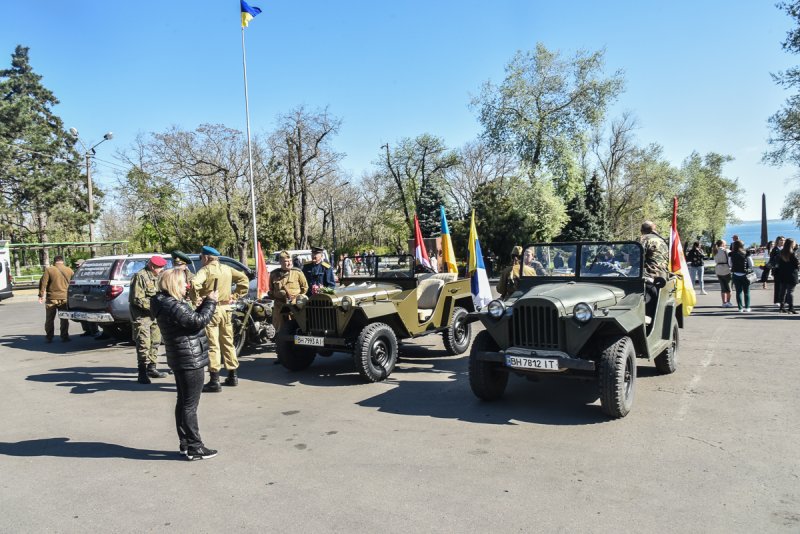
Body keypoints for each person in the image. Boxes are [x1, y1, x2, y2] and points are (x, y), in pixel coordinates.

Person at [151, 268, 219, 461]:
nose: (187, 286)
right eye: (183, 283)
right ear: (174, 285)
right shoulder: (172, 305)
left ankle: (186, 444)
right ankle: (195, 447)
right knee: (189, 405)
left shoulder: (165, 303)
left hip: (181, 357)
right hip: (189, 359)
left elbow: (188, 321)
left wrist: (203, 303)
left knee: (183, 402)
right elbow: (198, 322)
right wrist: (211, 302)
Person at [190, 246, 249, 392]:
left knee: (212, 344)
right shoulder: (227, 269)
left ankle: (214, 380)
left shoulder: (205, 270)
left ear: (206, 257)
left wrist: (195, 299)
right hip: (226, 309)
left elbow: (194, 283)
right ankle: (232, 375)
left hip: (211, 310)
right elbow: (244, 279)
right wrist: (235, 295)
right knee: (228, 342)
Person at [129, 255, 168, 384]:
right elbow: (137, 299)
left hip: (155, 316)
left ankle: (152, 367)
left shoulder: (158, 276)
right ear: (152, 266)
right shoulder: (140, 276)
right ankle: (142, 372)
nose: (162, 270)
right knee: (143, 343)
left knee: (155, 341)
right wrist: (155, 306)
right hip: (143, 316)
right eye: (160, 268)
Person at [268, 250, 309, 332]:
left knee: (297, 327)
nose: (289, 263)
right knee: (279, 329)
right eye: (286, 261)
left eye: (290, 261)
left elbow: (305, 287)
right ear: (280, 262)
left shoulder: (297, 273)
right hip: (280, 306)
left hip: (294, 306)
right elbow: (271, 289)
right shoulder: (274, 274)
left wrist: (297, 299)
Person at [38, 255, 74, 343]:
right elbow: (73, 283)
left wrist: (41, 295)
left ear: (54, 261)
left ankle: (49, 337)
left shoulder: (49, 270)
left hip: (52, 298)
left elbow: (43, 283)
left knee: (50, 319)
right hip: (65, 298)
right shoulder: (69, 270)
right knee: (64, 318)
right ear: (63, 261)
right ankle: (64, 336)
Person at [640, 221, 669, 318]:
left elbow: (636, 256)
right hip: (662, 275)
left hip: (648, 274)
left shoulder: (644, 239)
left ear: (642, 230)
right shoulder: (662, 241)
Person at [728, 240, 754, 312]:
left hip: (736, 274)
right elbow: (751, 264)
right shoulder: (746, 253)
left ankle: (740, 308)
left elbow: (730, 264)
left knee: (738, 292)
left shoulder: (731, 254)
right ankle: (747, 307)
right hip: (745, 275)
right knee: (746, 292)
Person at [774, 238, 799, 313]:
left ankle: (782, 307)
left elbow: (779, 264)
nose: (795, 244)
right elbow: (796, 264)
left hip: (782, 274)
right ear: (791, 244)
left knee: (782, 291)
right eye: (794, 243)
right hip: (792, 275)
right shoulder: (792, 253)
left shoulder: (781, 252)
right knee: (790, 292)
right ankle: (791, 307)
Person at [712, 240, 733, 308]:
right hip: (726, 269)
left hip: (718, 269)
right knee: (729, 287)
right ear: (723, 244)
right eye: (725, 243)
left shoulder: (715, 250)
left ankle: (724, 302)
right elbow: (730, 260)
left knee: (723, 287)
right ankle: (728, 301)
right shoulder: (726, 251)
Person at [769, 236, 785, 307]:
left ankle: (783, 300)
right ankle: (777, 301)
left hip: (785, 270)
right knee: (778, 286)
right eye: (781, 240)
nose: (782, 242)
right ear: (777, 241)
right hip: (777, 270)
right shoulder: (774, 249)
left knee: (785, 286)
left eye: (783, 240)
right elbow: (771, 260)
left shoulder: (785, 249)